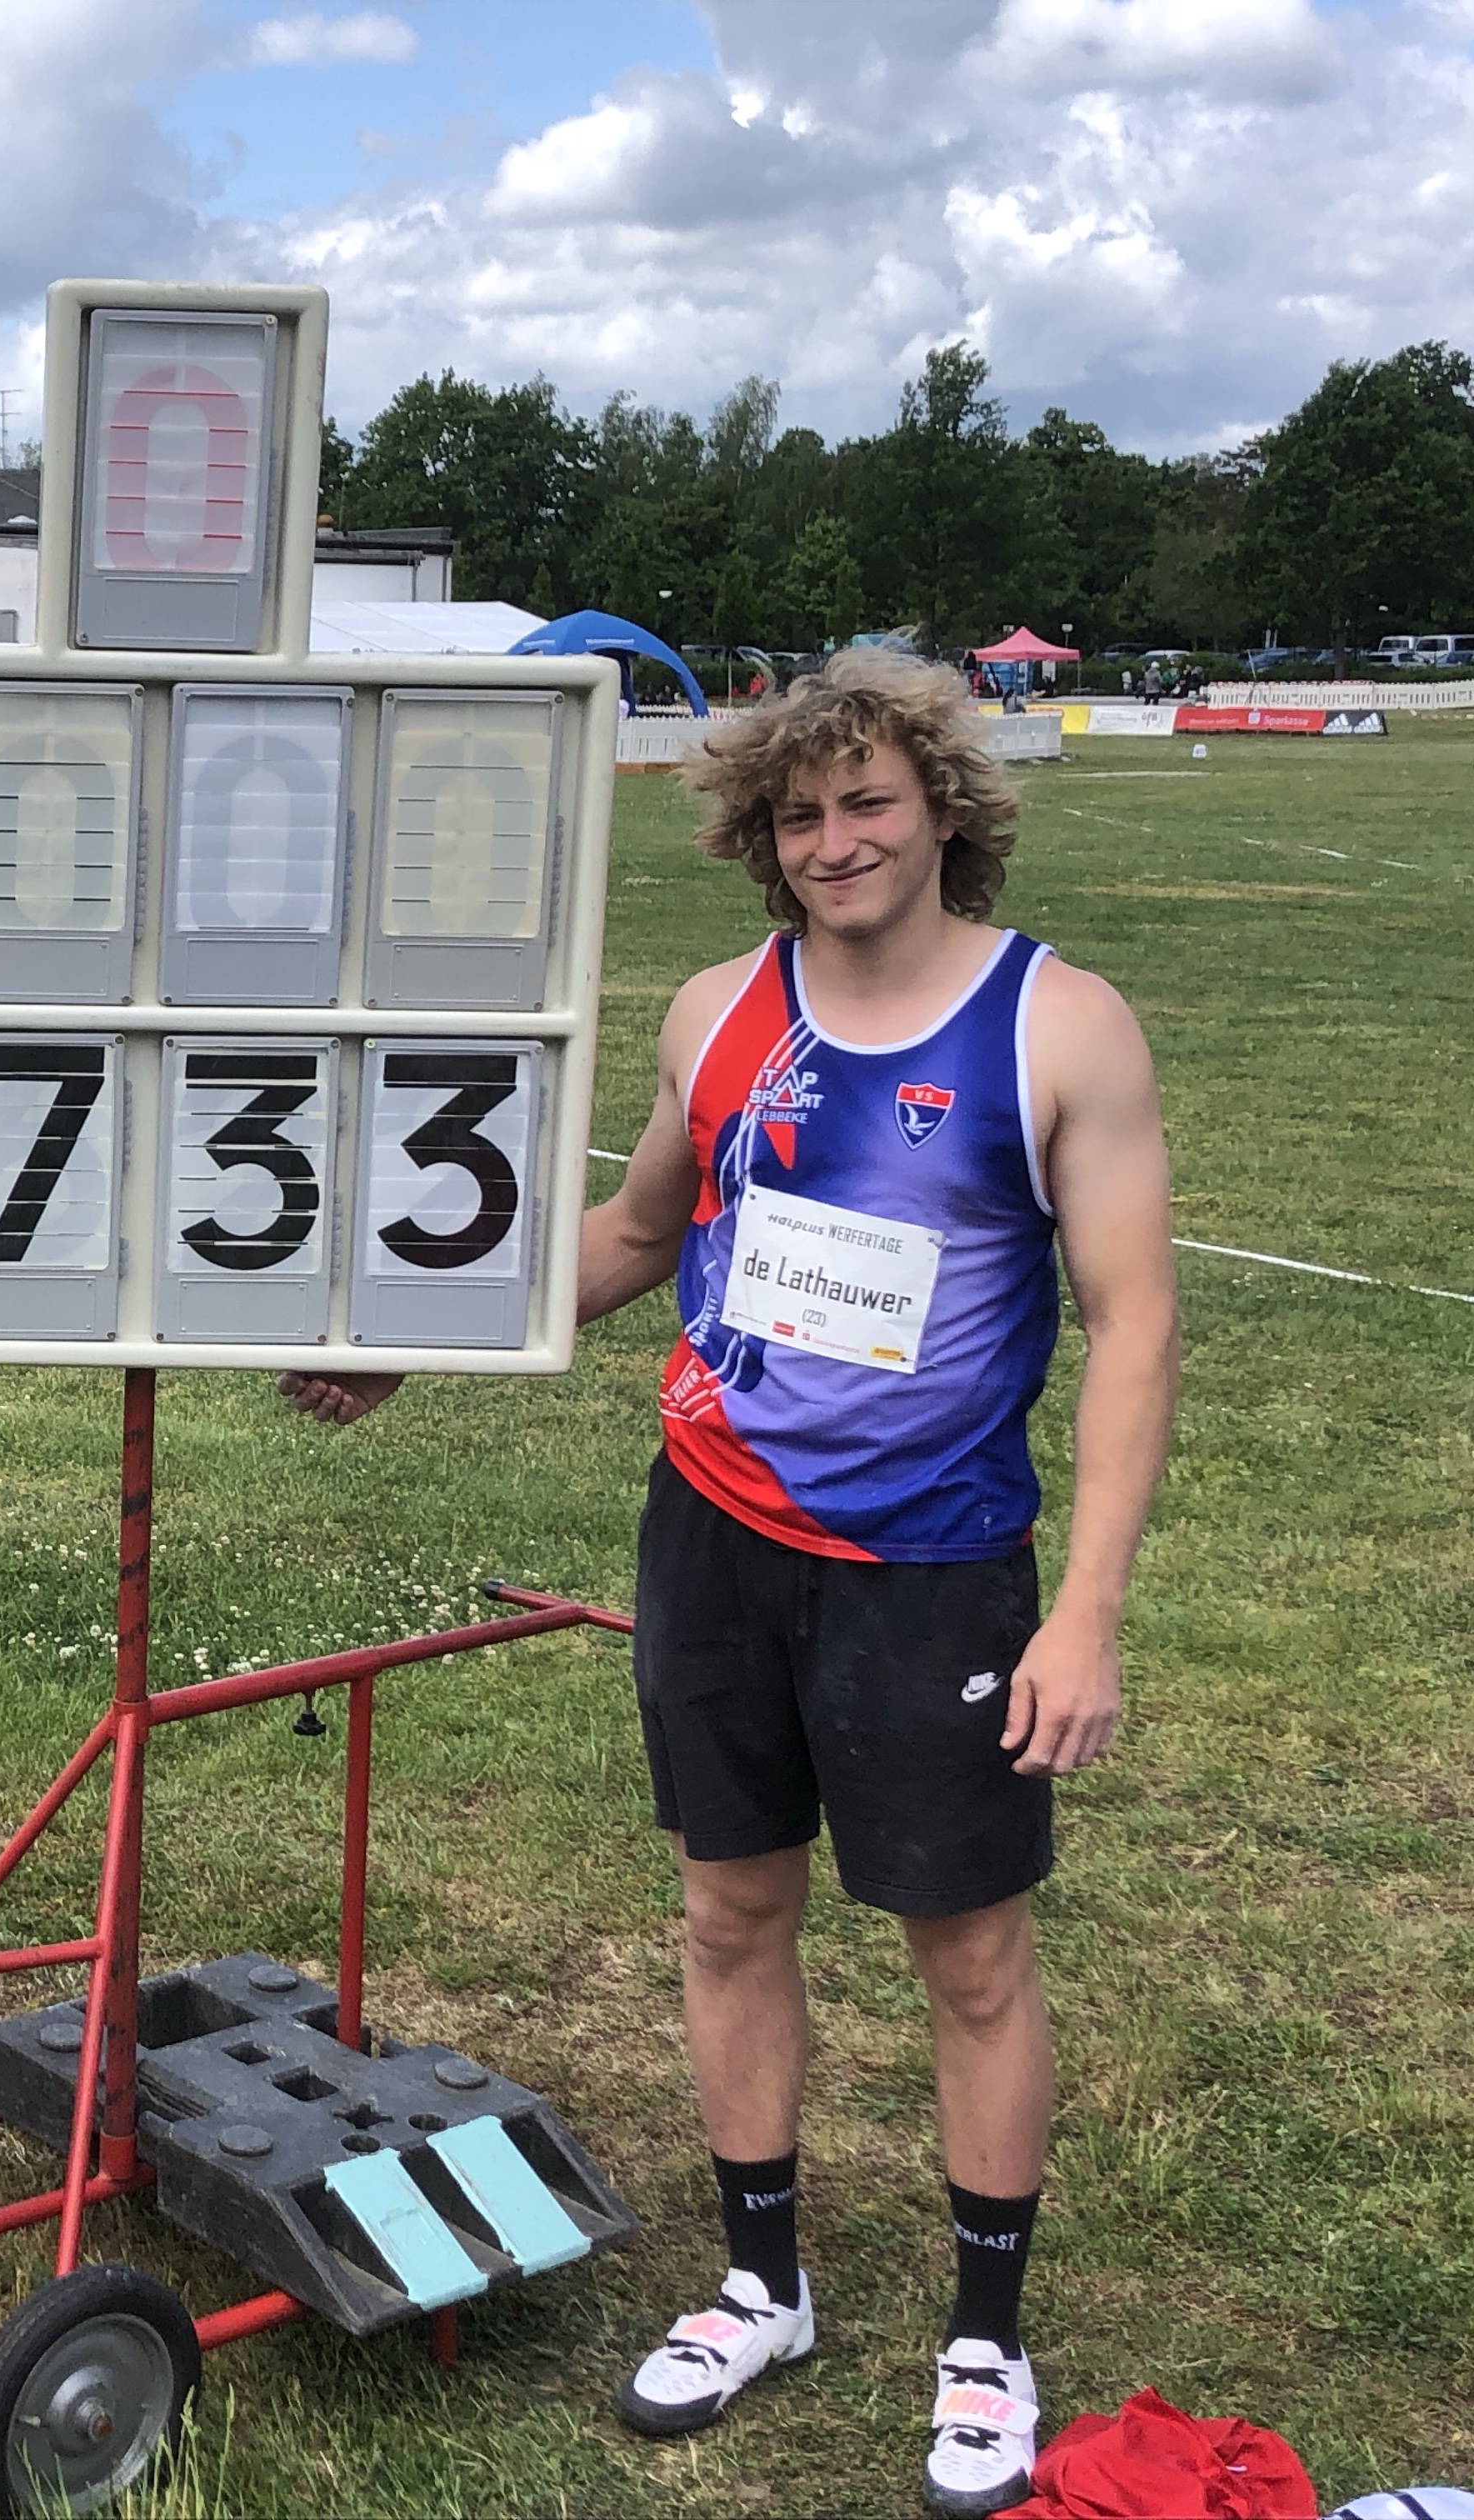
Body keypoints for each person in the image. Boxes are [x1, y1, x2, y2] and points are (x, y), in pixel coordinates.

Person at [281, 651, 1174, 2520]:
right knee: (726, 1914)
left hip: (934, 1569)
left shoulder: (1058, 1026)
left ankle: (986, 2343)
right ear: (763, 839)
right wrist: (423, 1345)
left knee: (972, 1957)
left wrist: (1085, 1609)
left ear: (942, 809)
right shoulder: (717, 1013)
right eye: (801, 814)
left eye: (869, 803)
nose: (837, 841)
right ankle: (763, 2283)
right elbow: (633, 1230)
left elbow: (1132, 1327)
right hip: (714, 1535)